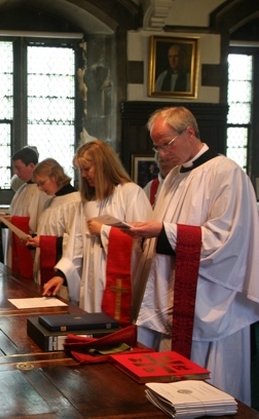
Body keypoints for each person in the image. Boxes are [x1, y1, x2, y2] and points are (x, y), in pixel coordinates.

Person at [126, 106, 259, 404]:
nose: (161, 153)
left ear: (189, 132)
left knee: (210, 390)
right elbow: (164, 231)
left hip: (210, 300)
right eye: (156, 146)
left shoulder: (227, 173)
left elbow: (227, 240)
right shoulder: (173, 178)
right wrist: (147, 235)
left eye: (166, 144)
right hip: (169, 292)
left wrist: (163, 232)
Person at [72, 140, 151, 325]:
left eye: (87, 169)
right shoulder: (87, 201)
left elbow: (142, 239)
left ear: (103, 166)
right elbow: (76, 242)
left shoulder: (131, 193)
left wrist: (105, 230)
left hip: (118, 279)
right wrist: (62, 274)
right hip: (91, 278)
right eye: (80, 171)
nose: (83, 176)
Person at [25, 159, 81, 303]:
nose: (40, 188)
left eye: (42, 183)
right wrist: (34, 240)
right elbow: (46, 232)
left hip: (61, 272)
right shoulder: (50, 201)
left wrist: (44, 242)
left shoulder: (75, 202)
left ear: (55, 177)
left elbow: (76, 241)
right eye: (38, 184)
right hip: (44, 267)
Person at [2, 146, 51, 279]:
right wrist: (5, 219)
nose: (15, 172)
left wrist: (13, 220)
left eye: (18, 168)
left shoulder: (42, 191)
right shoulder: (22, 188)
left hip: (31, 248)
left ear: (31, 166)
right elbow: (15, 213)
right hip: (16, 243)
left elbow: (41, 223)